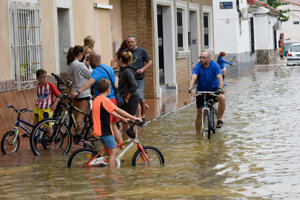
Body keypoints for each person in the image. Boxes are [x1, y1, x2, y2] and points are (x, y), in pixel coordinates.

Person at [72, 52, 123, 146]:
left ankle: (111, 150)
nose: (88, 62)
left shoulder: (97, 71)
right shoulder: (108, 68)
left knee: (107, 127)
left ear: (93, 60)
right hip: (113, 99)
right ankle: (121, 147)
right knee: (113, 125)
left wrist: (78, 92)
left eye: (89, 60)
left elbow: (90, 81)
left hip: (104, 101)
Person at [92, 78, 141, 167]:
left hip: (100, 129)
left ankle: (100, 165)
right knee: (114, 151)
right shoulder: (105, 100)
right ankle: (112, 173)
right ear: (108, 89)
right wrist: (133, 117)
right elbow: (118, 110)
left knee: (108, 151)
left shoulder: (97, 99)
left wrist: (122, 119)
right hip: (105, 130)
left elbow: (111, 112)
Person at [188, 52, 226, 134]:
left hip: (214, 89)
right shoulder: (198, 66)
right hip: (201, 90)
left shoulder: (215, 65)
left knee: (222, 98)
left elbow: (220, 78)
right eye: (200, 57)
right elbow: (193, 77)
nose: (201, 59)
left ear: (209, 58)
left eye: (204, 57)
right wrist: (191, 88)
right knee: (199, 113)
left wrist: (221, 88)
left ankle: (219, 119)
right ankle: (197, 134)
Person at [125, 35, 153, 125]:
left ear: (135, 42)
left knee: (140, 97)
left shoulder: (141, 51)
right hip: (129, 79)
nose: (130, 44)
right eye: (129, 42)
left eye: (132, 42)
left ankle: (143, 115)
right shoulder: (125, 52)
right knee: (133, 98)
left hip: (139, 78)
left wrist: (143, 69)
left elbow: (150, 61)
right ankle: (138, 116)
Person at [67, 45, 92, 142]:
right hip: (83, 93)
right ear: (80, 54)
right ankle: (78, 135)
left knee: (76, 114)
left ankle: (76, 132)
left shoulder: (71, 65)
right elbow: (90, 74)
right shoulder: (80, 65)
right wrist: (88, 66)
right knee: (81, 116)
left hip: (74, 91)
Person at [117, 51, 140, 140]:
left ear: (120, 59)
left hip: (130, 100)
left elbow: (134, 85)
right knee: (125, 121)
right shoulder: (123, 70)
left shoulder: (127, 71)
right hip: (126, 99)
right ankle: (126, 142)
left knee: (131, 121)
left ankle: (135, 142)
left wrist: (127, 97)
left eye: (117, 59)